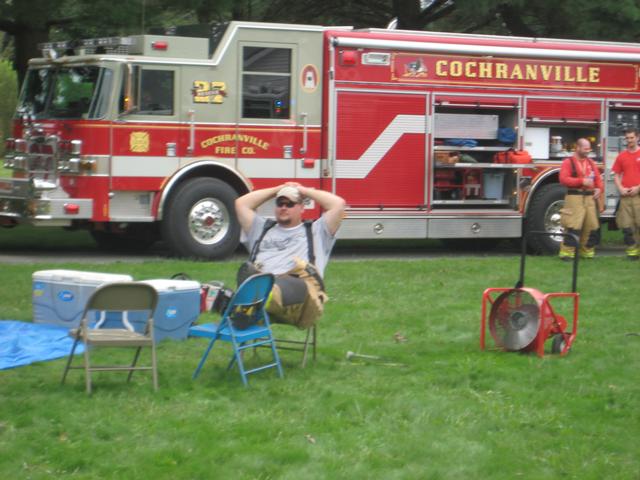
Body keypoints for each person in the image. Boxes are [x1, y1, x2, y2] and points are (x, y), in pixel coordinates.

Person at [235, 183, 346, 327]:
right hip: (261, 282)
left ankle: (250, 305)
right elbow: (240, 204)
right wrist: (277, 189)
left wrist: (303, 190)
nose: (283, 208)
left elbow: (338, 204)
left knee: (276, 284)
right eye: (280, 203)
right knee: (214, 291)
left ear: (301, 207)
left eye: (290, 204)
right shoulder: (262, 228)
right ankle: (241, 305)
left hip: (300, 299)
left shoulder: (316, 231)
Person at [558, 138, 603, 260]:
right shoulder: (568, 162)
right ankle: (567, 253)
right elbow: (563, 179)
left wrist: (599, 189)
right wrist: (581, 181)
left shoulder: (591, 163)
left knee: (592, 226)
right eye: (585, 148)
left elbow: (598, 179)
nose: (588, 151)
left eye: (589, 148)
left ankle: (587, 252)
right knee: (573, 225)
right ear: (577, 148)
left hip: (589, 198)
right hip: (574, 197)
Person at [612, 129, 640, 260]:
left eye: (631, 138)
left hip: (638, 195)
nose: (629, 141)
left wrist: (638, 188)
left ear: (637, 137)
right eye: (627, 138)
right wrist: (620, 188)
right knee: (628, 226)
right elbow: (616, 175)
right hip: (625, 196)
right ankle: (632, 253)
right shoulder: (621, 156)